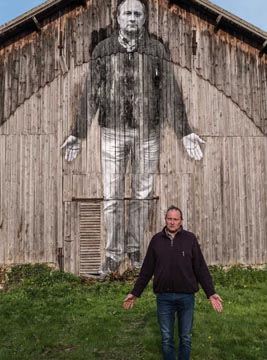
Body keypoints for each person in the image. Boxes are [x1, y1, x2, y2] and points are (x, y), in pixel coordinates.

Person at [61, 0, 206, 277]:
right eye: (127, 13)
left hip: (148, 133)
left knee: (141, 196)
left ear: (144, 19)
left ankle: (135, 250)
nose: (131, 18)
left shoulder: (155, 50)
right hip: (112, 132)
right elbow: (91, 93)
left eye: (137, 14)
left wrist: (184, 130)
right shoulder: (103, 50)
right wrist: (78, 133)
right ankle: (113, 255)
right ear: (117, 17)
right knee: (112, 196)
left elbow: (169, 93)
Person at [123, 206, 223, 360]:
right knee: (167, 338)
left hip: (186, 297)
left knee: (185, 337)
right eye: (169, 218)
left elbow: (200, 268)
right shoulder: (156, 240)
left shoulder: (190, 239)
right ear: (165, 220)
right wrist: (135, 293)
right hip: (164, 297)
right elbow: (146, 270)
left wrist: (211, 293)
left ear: (181, 221)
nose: (172, 222)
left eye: (175, 219)